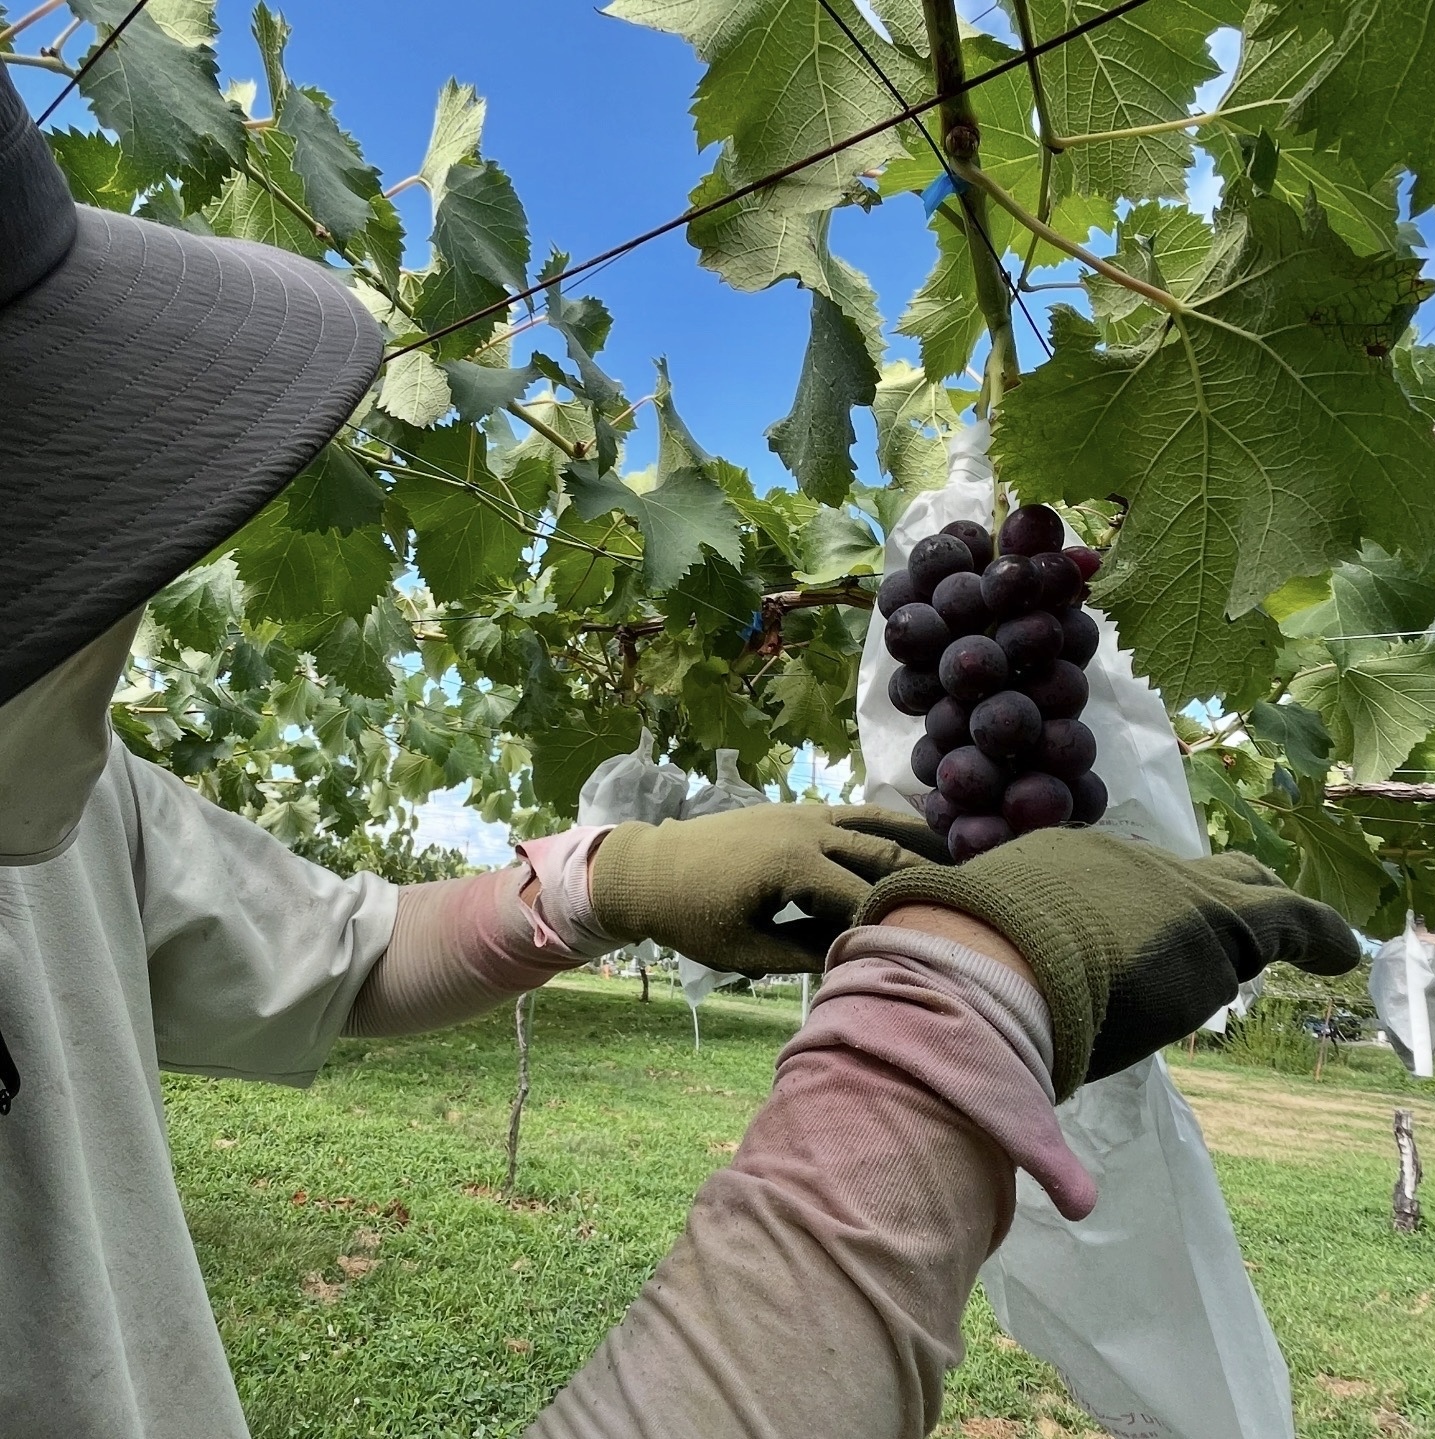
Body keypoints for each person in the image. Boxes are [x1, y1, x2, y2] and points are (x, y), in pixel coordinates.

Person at [0, 66, 1361, 1439]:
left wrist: (604, 884)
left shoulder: (68, 802)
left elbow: (335, 951)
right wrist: (940, 1040)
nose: (125, 588)